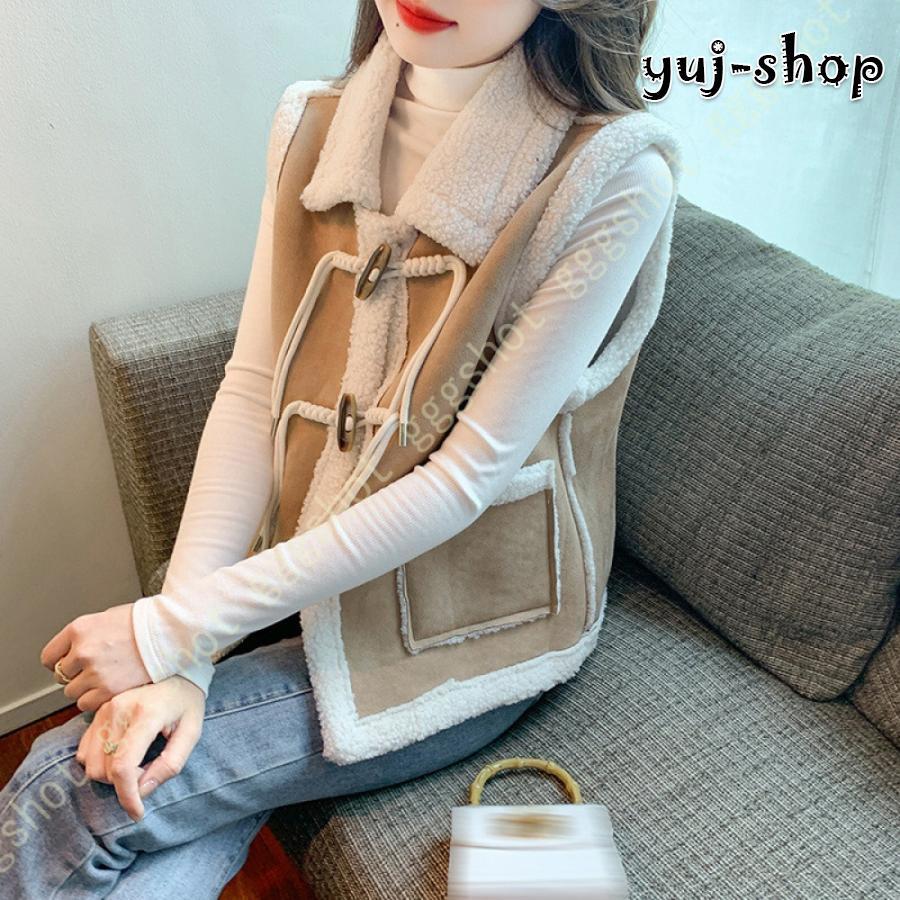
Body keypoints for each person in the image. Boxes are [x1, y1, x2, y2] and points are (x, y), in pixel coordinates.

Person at [0, 1, 679, 896]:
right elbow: (254, 389)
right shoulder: (312, 125)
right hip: (306, 574)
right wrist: (183, 656)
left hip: (470, 634)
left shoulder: (612, 176)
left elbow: (464, 479)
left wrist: (171, 631)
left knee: (64, 789)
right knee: (130, 800)